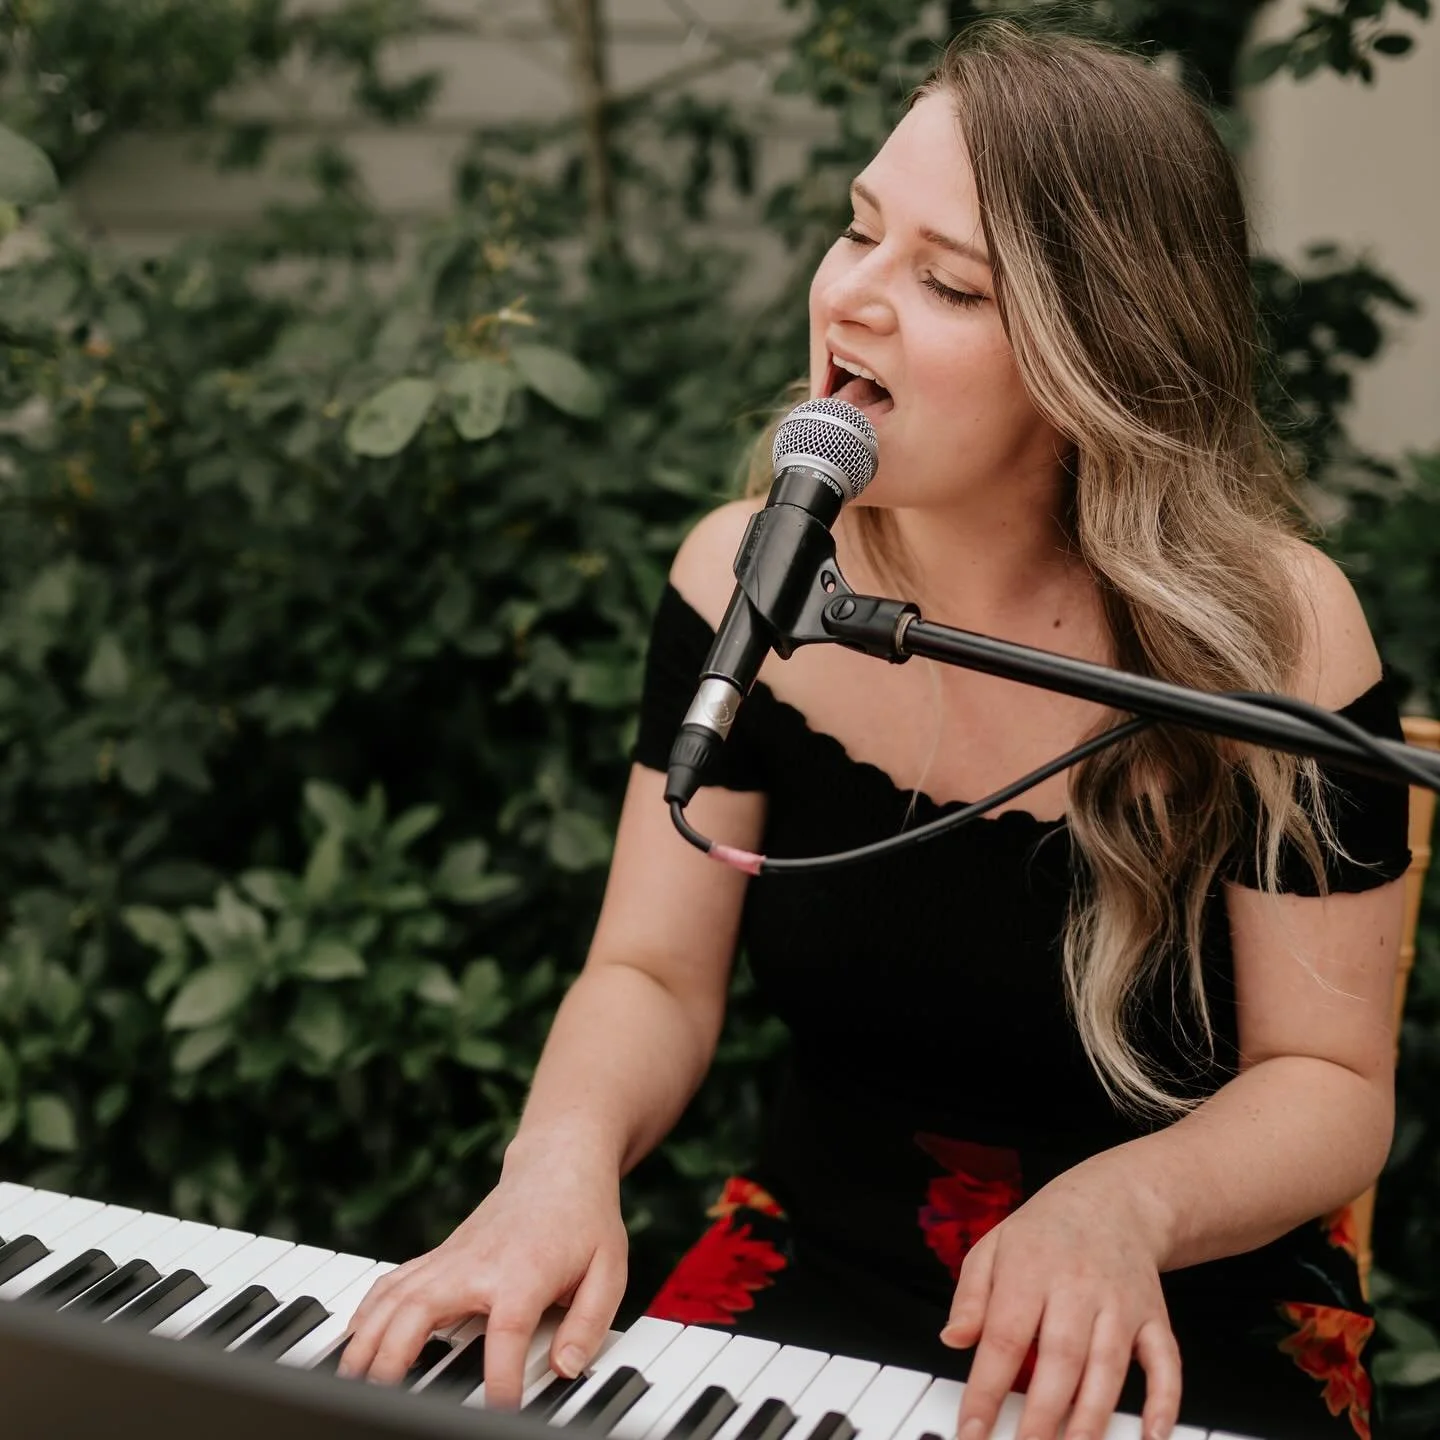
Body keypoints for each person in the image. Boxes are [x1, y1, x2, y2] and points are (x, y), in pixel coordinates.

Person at [338, 20, 1410, 1440]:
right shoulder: (743, 576)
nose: (851, 295)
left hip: (1178, 1290)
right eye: (857, 230)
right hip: (820, 1253)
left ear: (1099, 355)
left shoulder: (1277, 634)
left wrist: (1122, 1208)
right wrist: (556, 1162)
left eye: (946, 281)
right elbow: (651, 972)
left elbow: (1327, 1083)